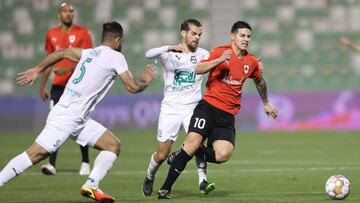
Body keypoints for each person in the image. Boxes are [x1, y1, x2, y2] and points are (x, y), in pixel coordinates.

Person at [0, 21, 155, 203]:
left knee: (112, 145)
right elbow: (132, 87)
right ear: (118, 40)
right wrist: (146, 81)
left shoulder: (89, 52)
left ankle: (91, 184)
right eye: (122, 42)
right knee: (35, 154)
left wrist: (37, 69)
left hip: (78, 118)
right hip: (67, 117)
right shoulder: (116, 57)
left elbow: (61, 52)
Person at [157, 20, 278, 199]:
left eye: (248, 36)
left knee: (223, 154)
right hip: (208, 108)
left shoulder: (251, 61)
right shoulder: (220, 51)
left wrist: (266, 102)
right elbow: (198, 69)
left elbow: (259, 81)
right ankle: (165, 189)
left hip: (227, 116)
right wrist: (220, 60)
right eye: (242, 35)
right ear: (233, 36)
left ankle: (183, 152)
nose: (246, 39)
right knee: (191, 144)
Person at [142, 19, 215, 197]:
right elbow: (148, 54)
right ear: (183, 33)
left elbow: (221, 61)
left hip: (193, 107)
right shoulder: (168, 53)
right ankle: (149, 176)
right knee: (162, 154)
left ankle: (202, 180)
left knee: (197, 143)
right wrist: (169, 47)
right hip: (170, 108)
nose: (197, 37)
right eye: (193, 33)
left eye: (199, 34)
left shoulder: (203, 54)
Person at [39, 2, 94, 176]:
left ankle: (85, 162)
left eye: (71, 11)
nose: (69, 14)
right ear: (59, 15)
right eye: (65, 11)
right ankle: (51, 164)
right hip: (57, 87)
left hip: (78, 88)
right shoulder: (51, 34)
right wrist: (42, 85)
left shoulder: (82, 32)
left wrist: (68, 69)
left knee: (79, 122)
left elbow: (90, 59)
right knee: (55, 122)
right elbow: (50, 61)